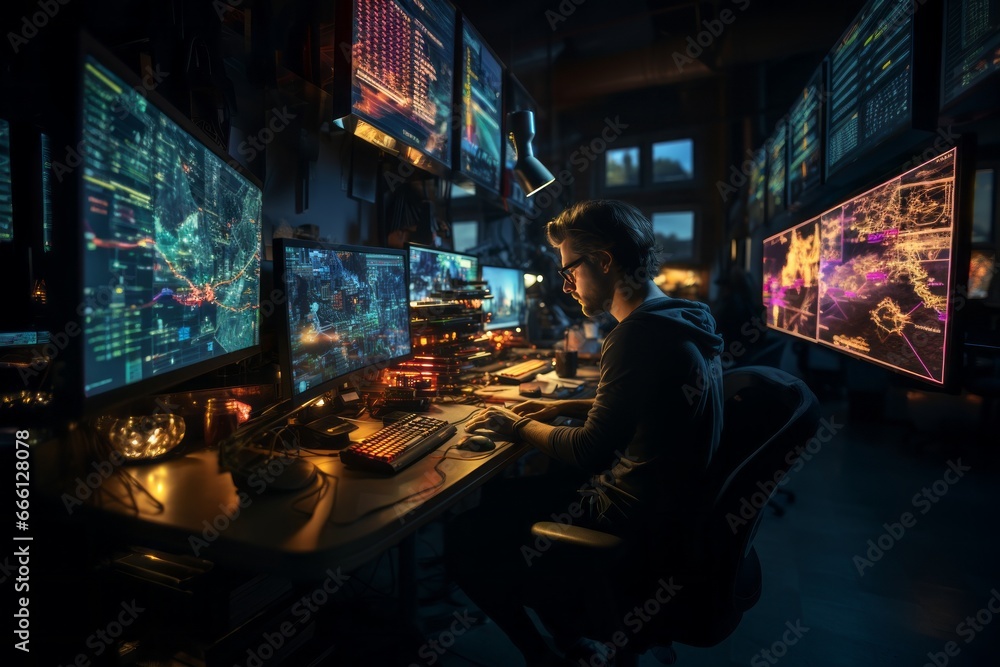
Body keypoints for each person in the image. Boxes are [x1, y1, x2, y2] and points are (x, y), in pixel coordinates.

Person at [447, 200, 725, 666]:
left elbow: (592, 451)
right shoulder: (677, 316)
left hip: (628, 519)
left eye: (570, 268)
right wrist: (557, 407)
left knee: (465, 538)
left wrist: (518, 424)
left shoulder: (635, 334)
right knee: (500, 501)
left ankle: (547, 655)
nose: (566, 282)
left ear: (604, 260)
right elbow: (635, 408)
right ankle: (570, 640)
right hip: (668, 510)